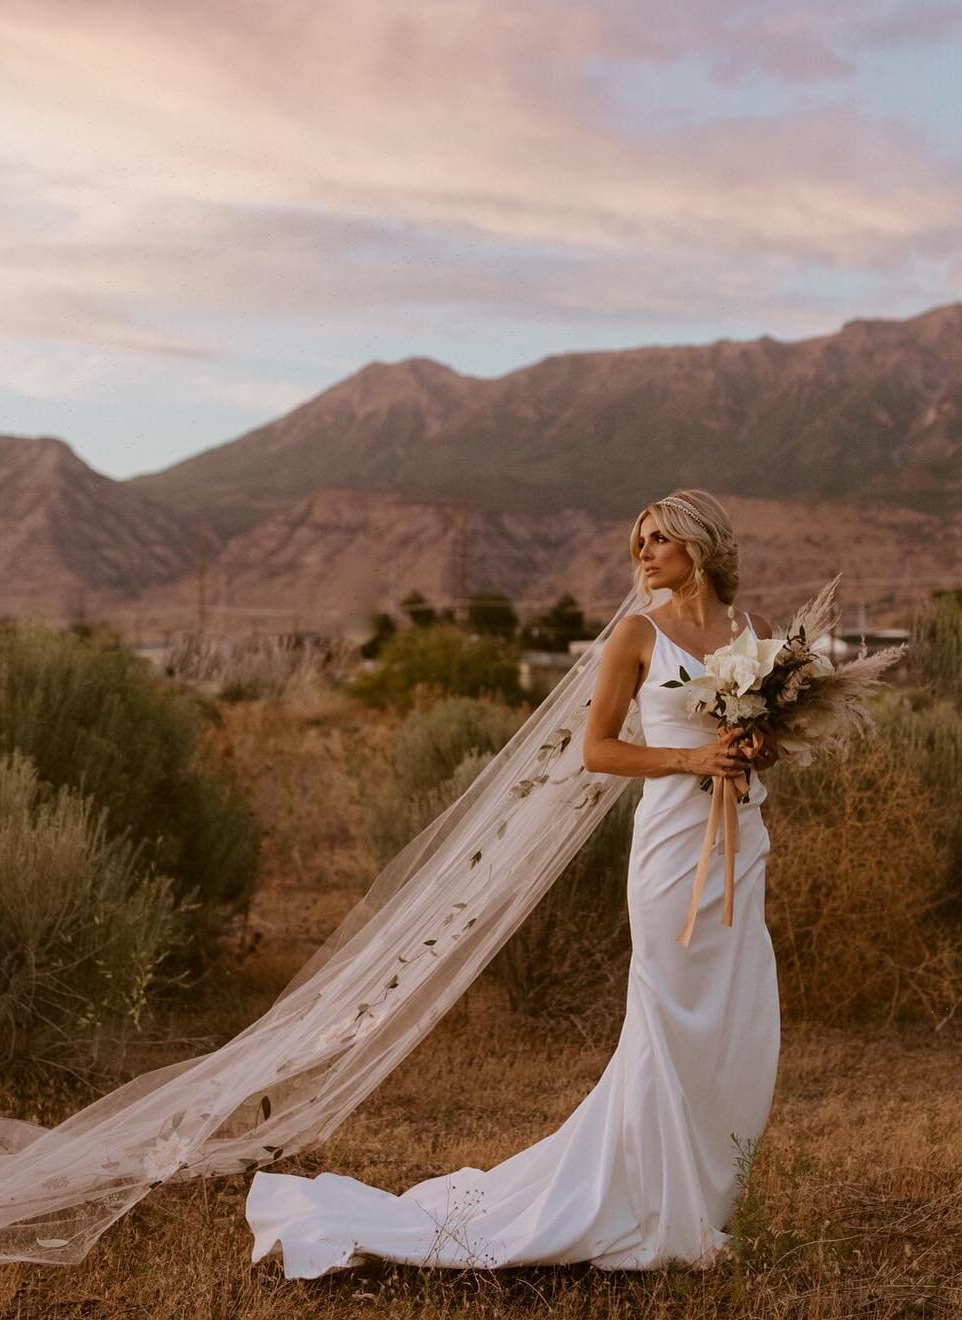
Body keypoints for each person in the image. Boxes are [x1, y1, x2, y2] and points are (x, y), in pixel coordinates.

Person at [245, 486, 782, 1275]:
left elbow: (762, 732)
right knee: (667, 1019)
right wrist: (691, 758)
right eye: (639, 539)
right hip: (671, 848)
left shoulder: (752, 634)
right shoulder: (636, 635)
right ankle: (656, 1210)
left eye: (658, 538)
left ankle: (702, 1195)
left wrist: (750, 751)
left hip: (742, 841)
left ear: (698, 546)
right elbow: (598, 750)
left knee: (737, 1022)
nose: (642, 552)